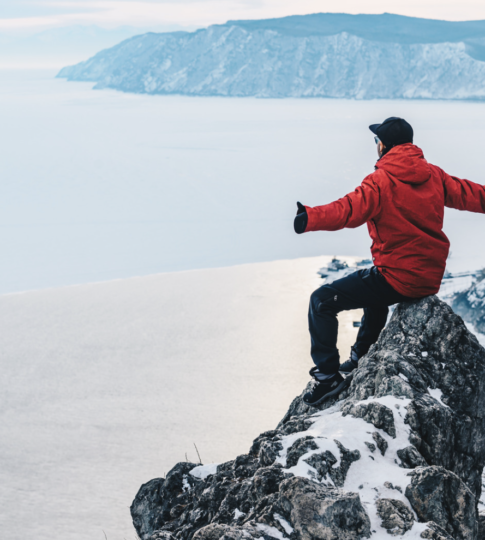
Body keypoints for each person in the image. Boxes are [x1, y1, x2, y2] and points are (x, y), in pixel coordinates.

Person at [294, 117, 485, 406]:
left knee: (321, 301)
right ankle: (361, 354)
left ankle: (327, 377)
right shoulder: (434, 175)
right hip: (428, 276)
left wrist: (309, 218)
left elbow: (347, 211)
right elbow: (474, 195)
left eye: (377, 141)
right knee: (374, 284)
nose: (376, 146)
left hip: (399, 277)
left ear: (385, 145)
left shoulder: (380, 181)